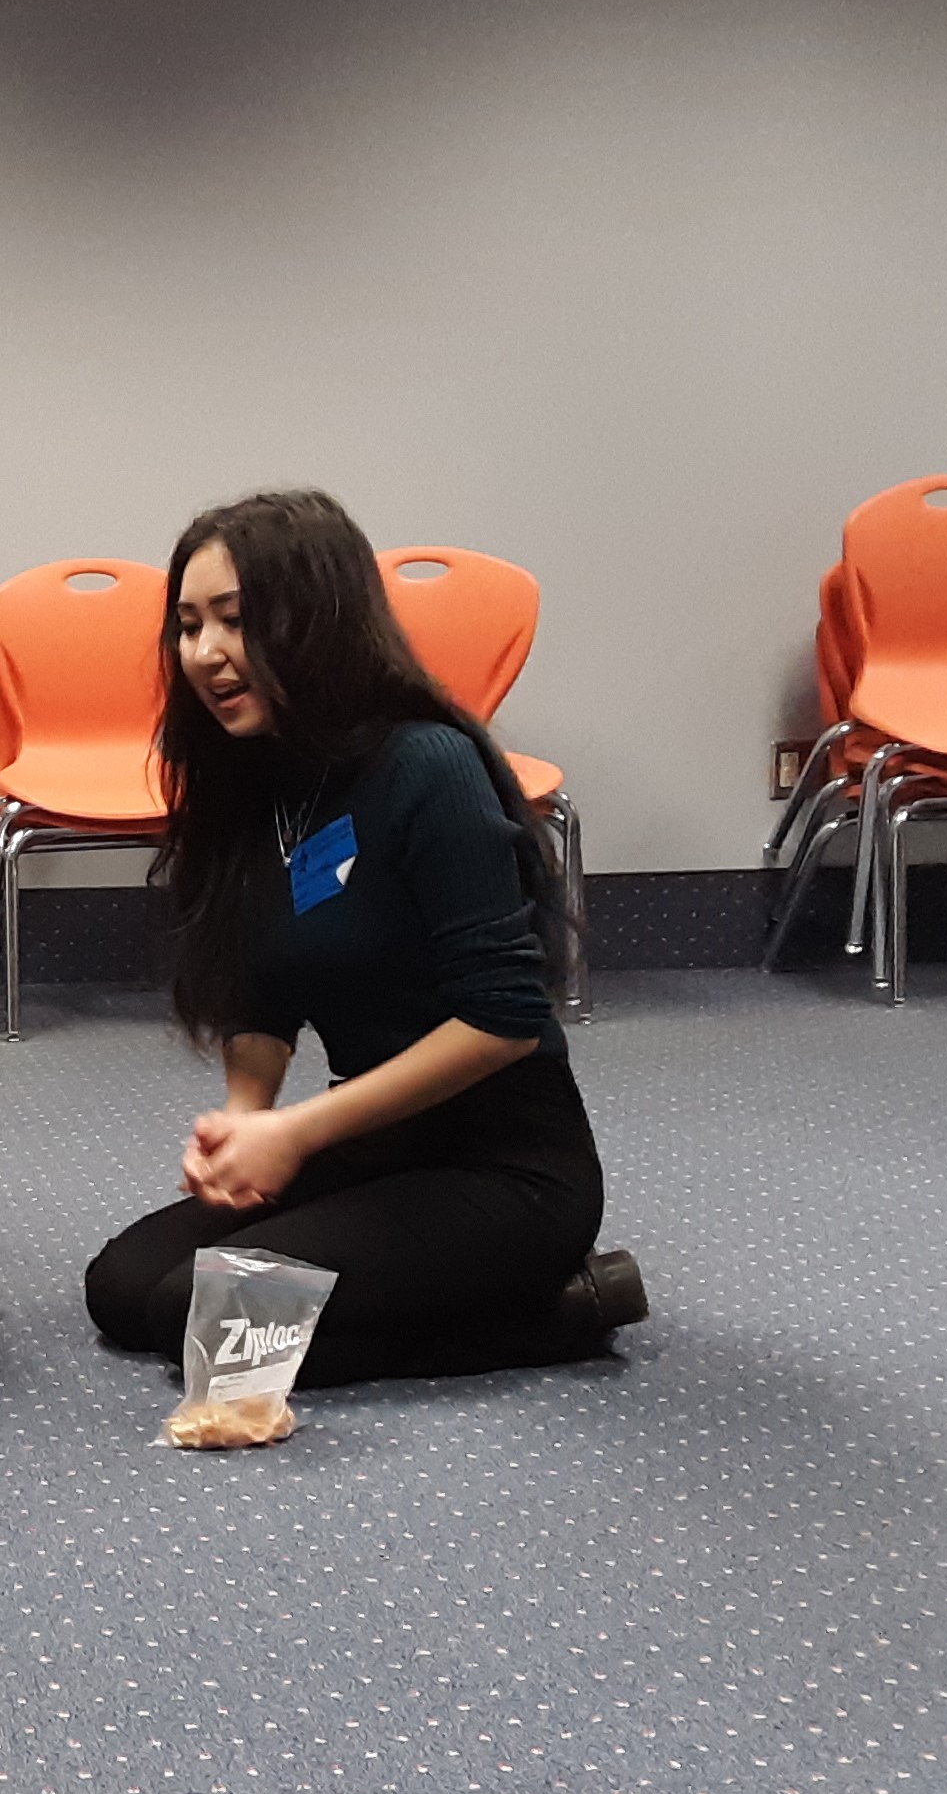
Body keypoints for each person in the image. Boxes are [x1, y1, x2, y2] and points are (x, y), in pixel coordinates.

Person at [82, 488, 645, 1399]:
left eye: (234, 620)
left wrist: (298, 1131)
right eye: (187, 627)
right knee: (121, 1290)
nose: (205, 654)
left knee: (202, 1320)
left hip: (505, 1172)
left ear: (317, 619)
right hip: (379, 1150)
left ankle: (570, 1306)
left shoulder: (428, 766)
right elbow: (261, 985)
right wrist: (249, 1116)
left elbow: (503, 1017)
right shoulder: (260, 776)